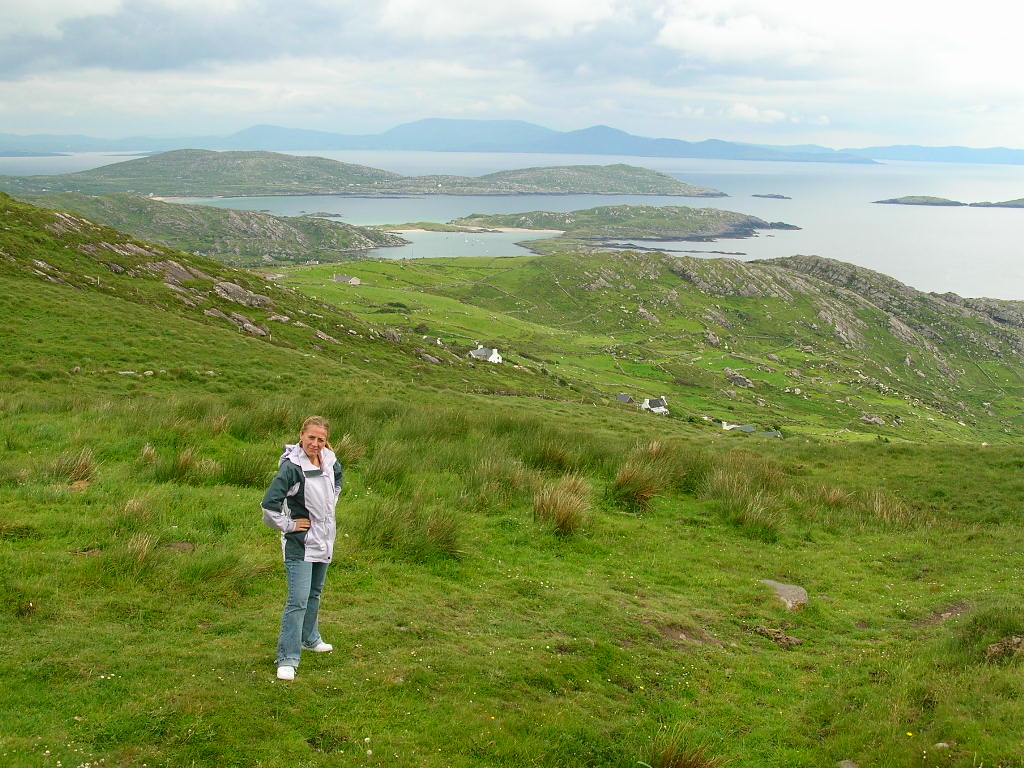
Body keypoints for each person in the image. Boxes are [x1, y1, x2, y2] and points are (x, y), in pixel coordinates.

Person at [261, 415, 344, 681]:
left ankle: (310, 638)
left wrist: (326, 512)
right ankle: (287, 658)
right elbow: (268, 506)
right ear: (301, 436)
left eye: (321, 439)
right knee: (297, 600)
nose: (315, 444)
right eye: (311, 437)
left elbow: (338, 483)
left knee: (314, 593)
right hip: (300, 544)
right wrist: (289, 524)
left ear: (326, 441)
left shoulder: (330, 461)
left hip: (324, 540)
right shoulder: (292, 468)